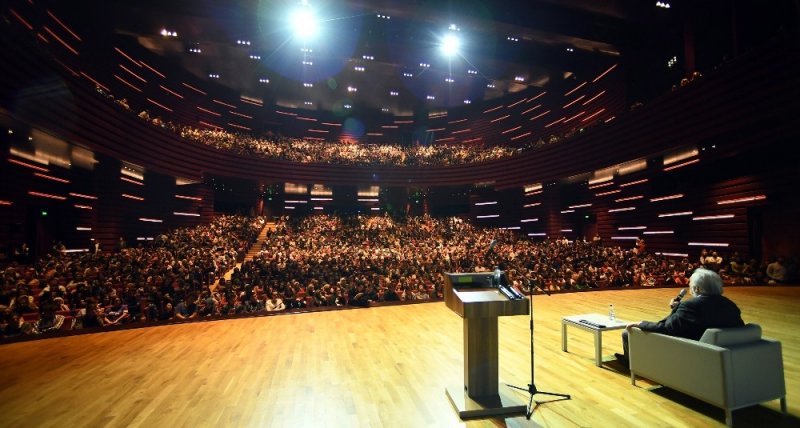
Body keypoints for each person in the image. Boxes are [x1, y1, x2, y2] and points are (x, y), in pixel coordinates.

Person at [615, 268, 744, 366]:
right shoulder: (730, 305)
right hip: (725, 352)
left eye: (691, 286)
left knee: (627, 332)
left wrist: (641, 323)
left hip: (689, 350)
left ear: (697, 288)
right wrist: (678, 307)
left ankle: (630, 363)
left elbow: (667, 328)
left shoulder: (690, 306)